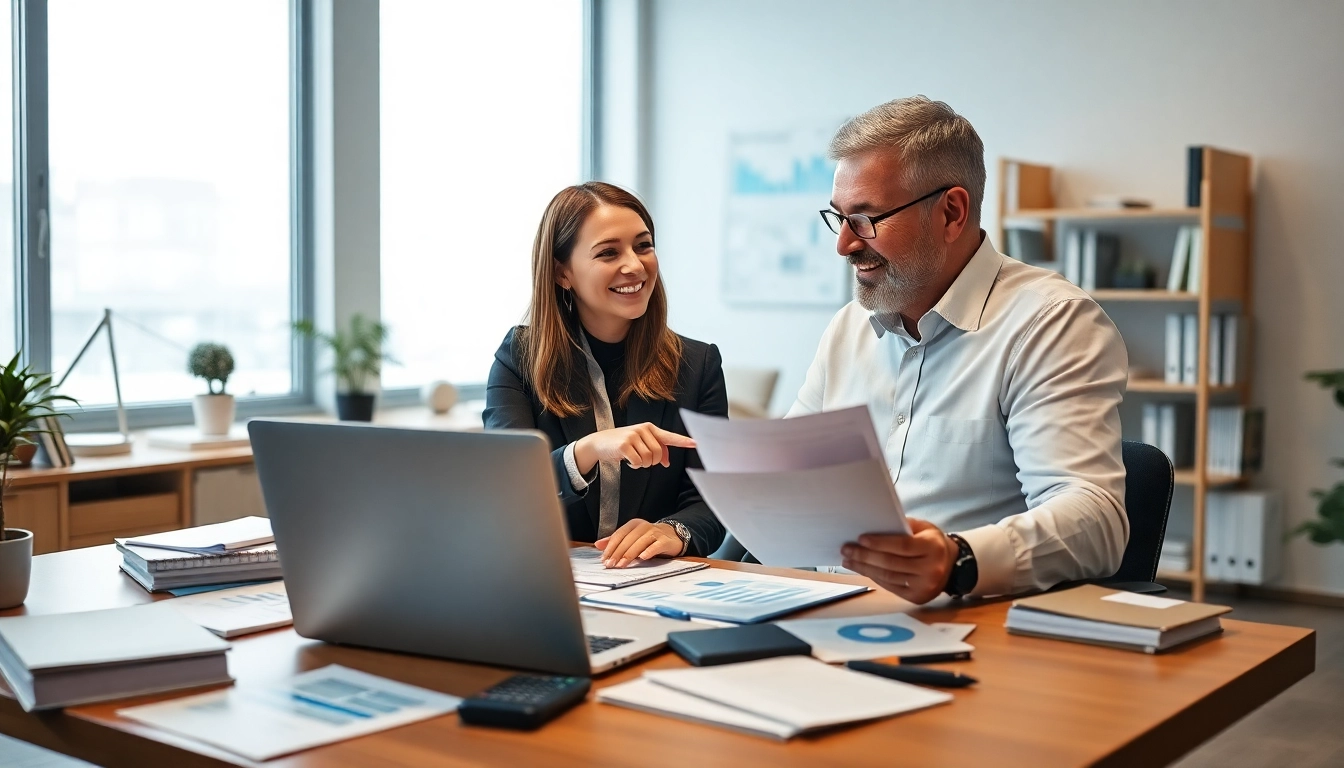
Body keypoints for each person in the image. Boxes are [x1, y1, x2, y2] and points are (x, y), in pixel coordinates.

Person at [795, 96, 1129, 604]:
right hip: (823, 610)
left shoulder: (1050, 322)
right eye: (838, 218)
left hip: (966, 627)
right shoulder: (849, 328)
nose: (844, 244)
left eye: (865, 219)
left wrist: (958, 559)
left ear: (951, 212)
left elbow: (1096, 519)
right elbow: (788, 471)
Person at [484, 182, 727, 566]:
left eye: (643, 245)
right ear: (563, 273)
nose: (634, 264)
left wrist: (672, 532)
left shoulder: (698, 364)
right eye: (608, 252)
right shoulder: (520, 356)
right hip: (546, 575)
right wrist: (588, 450)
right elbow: (504, 489)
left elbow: (713, 501)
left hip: (653, 581)